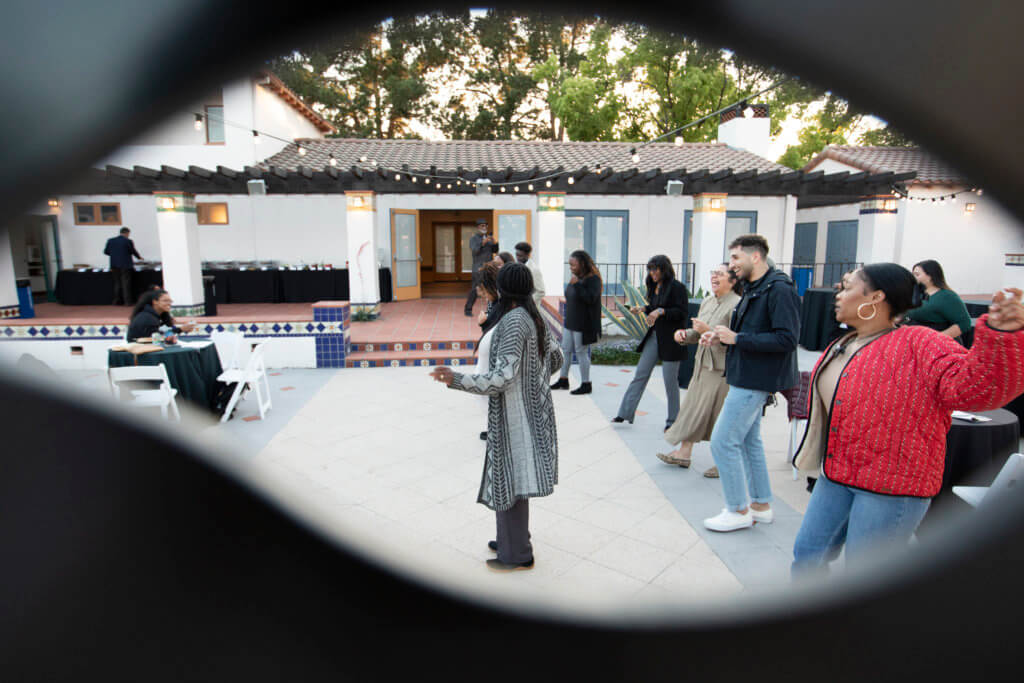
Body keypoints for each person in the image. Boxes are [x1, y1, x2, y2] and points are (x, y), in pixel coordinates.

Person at [791, 268, 1024, 576]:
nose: (838, 296)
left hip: (890, 487)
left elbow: (976, 389)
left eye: (847, 288)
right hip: (837, 474)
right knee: (807, 555)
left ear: (875, 297)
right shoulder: (845, 342)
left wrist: (1002, 336)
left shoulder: (921, 342)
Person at [430, 263, 563, 572]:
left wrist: (455, 379)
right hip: (531, 410)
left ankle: (517, 554)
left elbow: (500, 379)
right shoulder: (532, 314)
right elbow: (556, 357)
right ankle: (511, 540)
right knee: (513, 478)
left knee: (512, 481)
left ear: (503, 289)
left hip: (516, 414)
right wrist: (536, 380)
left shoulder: (514, 321)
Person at [702, 234, 800, 533]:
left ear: (754, 257)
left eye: (734, 258)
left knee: (722, 442)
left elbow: (788, 339)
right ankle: (760, 505)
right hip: (747, 374)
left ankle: (737, 509)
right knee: (748, 441)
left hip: (755, 380)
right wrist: (722, 335)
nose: (731, 265)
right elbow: (754, 331)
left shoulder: (779, 289)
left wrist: (738, 338)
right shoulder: (757, 287)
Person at [657, 263, 742, 474]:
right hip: (702, 365)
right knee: (693, 408)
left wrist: (708, 330)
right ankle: (684, 453)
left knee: (717, 416)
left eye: (720, 274)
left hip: (721, 370)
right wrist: (685, 335)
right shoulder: (708, 301)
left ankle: (726, 463)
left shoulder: (737, 305)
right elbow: (698, 331)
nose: (714, 277)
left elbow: (736, 339)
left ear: (732, 281)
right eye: (713, 273)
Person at [612, 255, 689, 430]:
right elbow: (654, 306)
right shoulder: (654, 286)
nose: (652, 272)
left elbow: (681, 312)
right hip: (655, 336)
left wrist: (660, 311)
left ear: (665, 269)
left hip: (672, 339)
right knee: (640, 374)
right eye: (650, 269)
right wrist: (643, 309)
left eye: (655, 269)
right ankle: (624, 413)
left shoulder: (677, 288)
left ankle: (673, 421)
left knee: (670, 382)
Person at [551, 249, 602, 395]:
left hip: (583, 322)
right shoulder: (576, 278)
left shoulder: (594, 280)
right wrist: (573, 283)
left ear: (582, 264)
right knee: (566, 350)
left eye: (573, 265)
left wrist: (577, 284)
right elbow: (568, 294)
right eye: (570, 265)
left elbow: (590, 298)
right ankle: (563, 380)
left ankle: (586, 384)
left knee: (581, 352)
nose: (571, 268)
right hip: (571, 320)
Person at [903, 259, 973, 346]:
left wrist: (935, 339)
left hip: (937, 344)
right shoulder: (916, 293)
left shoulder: (947, 296)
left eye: (917, 275)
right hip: (916, 341)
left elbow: (964, 323)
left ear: (930, 276)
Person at [474, 260, 502, 441]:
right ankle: (494, 427)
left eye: (485, 292)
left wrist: (483, 323)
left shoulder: (502, 305)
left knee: (490, 395)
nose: (483, 295)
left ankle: (498, 429)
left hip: (494, 360)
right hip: (487, 360)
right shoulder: (496, 302)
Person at [127, 288, 197, 342]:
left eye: (170, 301)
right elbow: (158, 337)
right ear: (155, 302)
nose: (169, 303)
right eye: (165, 301)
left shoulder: (159, 315)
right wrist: (180, 329)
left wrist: (181, 329)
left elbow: (165, 330)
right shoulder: (147, 318)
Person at [464, 218, 497, 316]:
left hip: (489, 267)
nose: (485, 227)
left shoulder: (489, 238)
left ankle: (492, 309)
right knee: (475, 289)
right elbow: (475, 250)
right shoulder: (474, 238)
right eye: (482, 225)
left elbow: (495, 251)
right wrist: (483, 243)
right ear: (478, 227)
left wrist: (495, 243)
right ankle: (468, 309)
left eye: (486, 225)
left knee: (491, 288)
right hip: (478, 268)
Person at [104, 227, 142, 305]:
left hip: (114, 264)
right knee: (126, 284)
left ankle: (116, 301)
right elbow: (132, 251)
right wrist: (139, 257)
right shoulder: (128, 241)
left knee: (117, 283)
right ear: (127, 233)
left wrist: (115, 255)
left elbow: (106, 251)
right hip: (125, 264)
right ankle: (127, 302)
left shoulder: (111, 241)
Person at [514, 241, 546, 307]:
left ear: (528, 255)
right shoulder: (516, 266)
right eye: (516, 255)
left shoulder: (534, 270)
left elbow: (541, 291)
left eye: (520, 256)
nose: (517, 258)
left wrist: (526, 303)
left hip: (530, 308)